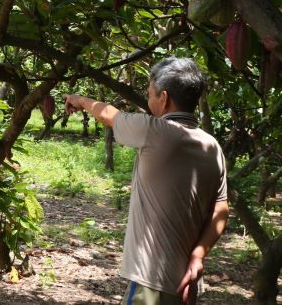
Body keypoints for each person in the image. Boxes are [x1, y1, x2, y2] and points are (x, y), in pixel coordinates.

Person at [64, 57, 229, 305]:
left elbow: (110, 115)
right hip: (187, 281)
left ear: (164, 98)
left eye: (150, 94)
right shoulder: (212, 146)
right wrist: (198, 255)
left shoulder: (157, 132)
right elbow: (221, 207)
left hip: (151, 282)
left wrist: (79, 100)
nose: (148, 99)